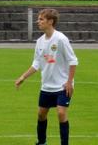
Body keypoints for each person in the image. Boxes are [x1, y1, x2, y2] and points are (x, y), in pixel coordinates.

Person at [15, 9, 78, 145]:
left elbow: (73, 61)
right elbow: (36, 63)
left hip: (62, 86)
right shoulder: (39, 42)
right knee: (41, 114)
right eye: (39, 19)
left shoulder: (61, 39)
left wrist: (69, 82)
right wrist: (23, 77)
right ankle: (42, 142)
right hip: (47, 86)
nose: (38, 22)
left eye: (41, 19)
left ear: (50, 22)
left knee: (61, 113)